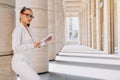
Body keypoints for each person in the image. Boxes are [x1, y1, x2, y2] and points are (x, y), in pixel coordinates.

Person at [11, 7, 51, 80]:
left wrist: (45, 41)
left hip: (27, 62)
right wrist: (32, 45)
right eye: (27, 15)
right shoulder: (18, 29)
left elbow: (34, 45)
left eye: (31, 16)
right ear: (20, 15)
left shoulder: (29, 29)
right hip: (19, 63)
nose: (29, 18)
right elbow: (15, 47)